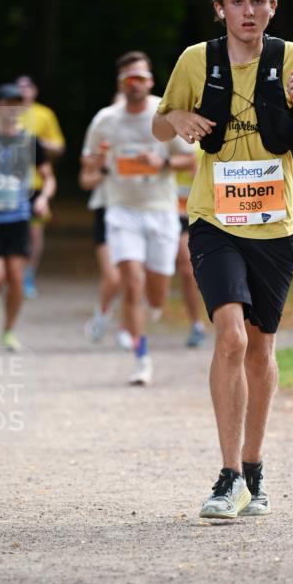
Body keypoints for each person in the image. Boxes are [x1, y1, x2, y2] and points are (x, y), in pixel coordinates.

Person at [153, 0, 293, 519]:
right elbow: (162, 125)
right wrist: (177, 122)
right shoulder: (195, 60)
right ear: (220, 8)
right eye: (237, 0)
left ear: (273, 6)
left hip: (276, 226)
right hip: (213, 220)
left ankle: (254, 467)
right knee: (230, 337)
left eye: (259, 0)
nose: (248, 10)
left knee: (260, 349)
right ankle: (228, 475)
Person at [82, 51, 195, 384]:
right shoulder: (106, 120)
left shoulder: (166, 113)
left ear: (150, 81)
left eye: (141, 78)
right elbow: (88, 164)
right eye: (129, 79)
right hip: (121, 210)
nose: (136, 84)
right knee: (132, 282)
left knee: (157, 293)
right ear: (121, 83)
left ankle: (153, 309)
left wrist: (159, 163)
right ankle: (141, 359)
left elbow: (189, 161)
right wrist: (101, 165)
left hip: (161, 211)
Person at [0, 84, 56, 351]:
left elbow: (49, 178)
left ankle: (8, 331)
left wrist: (42, 198)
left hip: (18, 216)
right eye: (7, 102)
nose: (13, 108)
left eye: (18, 103)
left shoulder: (30, 140)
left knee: (15, 277)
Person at [79, 92, 132, 351]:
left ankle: (127, 327)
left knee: (133, 275)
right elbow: (85, 180)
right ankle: (102, 314)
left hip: (135, 209)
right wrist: (102, 168)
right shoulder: (101, 146)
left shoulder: (145, 142)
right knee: (112, 276)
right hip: (106, 209)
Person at [15, 75, 65, 296]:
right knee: (14, 231)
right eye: (19, 87)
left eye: (28, 86)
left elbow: (59, 147)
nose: (24, 91)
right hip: (9, 186)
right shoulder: (5, 113)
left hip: (36, 183)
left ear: (35, 91)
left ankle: (28, 275)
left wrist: (37, 142)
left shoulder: (44, 114)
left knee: (34, 232)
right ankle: (13, 274)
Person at [175, 141, 206, 347]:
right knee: (187, 269)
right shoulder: (166, 135)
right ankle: (196, 324)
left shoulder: (212, 131)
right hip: (173, 211)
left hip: (206, 211)